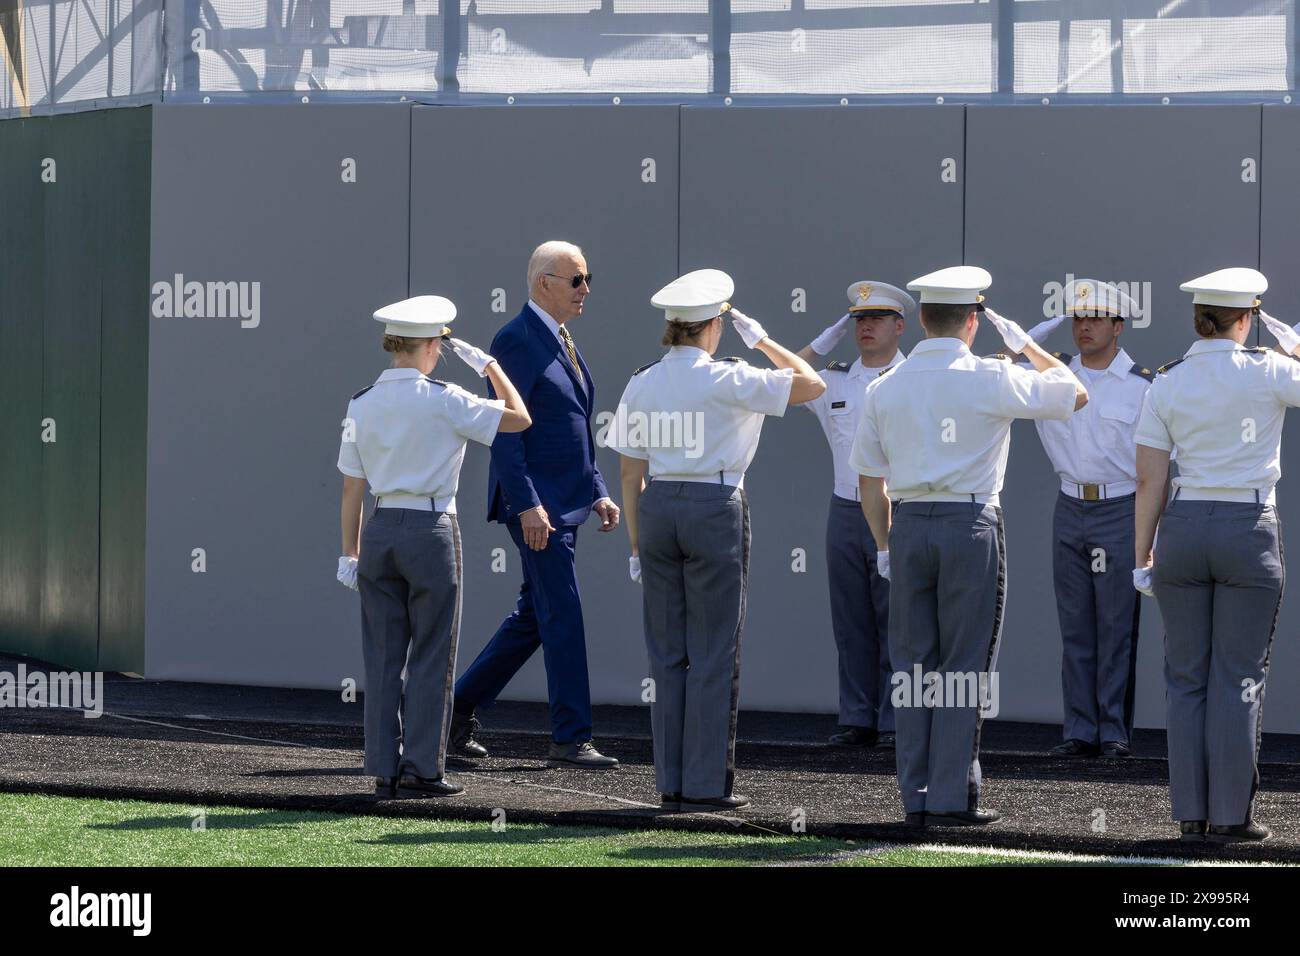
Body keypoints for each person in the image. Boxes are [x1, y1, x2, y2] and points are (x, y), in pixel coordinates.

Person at [850, 266, 1086, 828]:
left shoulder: (886, 386)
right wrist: (1026, 345)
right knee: (963, 666)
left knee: (911, 666)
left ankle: (916, 794)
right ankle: (952, 796)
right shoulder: (990, 377)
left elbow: (867, 482)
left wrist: (886, 544)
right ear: (973, 321)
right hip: (969, 523)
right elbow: (1075, 393)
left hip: (908, 526)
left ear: (922, 320)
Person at [613, 269, 825, 811]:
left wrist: (636, 546)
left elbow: (629, 473)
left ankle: (671, 783)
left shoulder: (643, 379)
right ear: (715, 325)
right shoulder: (731, 376)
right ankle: (706, 785)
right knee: (713, 652)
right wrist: (763, 340)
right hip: (713, 505)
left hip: (658, 508)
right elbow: (811, 384)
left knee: (667, 653)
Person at [337, 295, 531, 797]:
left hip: (378, 530)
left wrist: (349, 552)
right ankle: (423, 767)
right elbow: (518, 417)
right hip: (429, 529)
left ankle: (383, 766)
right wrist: (489, 365)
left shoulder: (361, 401)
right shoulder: (445, 397)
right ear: (430, 346)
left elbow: (351, 488)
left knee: (382, 655)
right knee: (431, 652)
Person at [1134, 267, 1297, 844]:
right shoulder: (1270, 371)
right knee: (1237, 678)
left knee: (1186, 680)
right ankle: (1230, 816)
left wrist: (1141, 555)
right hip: (1247, 528)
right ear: (1247, 317)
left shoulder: (1166, 382)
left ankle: (1189, 815)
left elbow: (1149, 481)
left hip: (1181, 528)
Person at [450, 241, 622, 769]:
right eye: (577, 280)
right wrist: (526, 505)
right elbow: (505, 434)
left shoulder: (561, 338)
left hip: (565, 502)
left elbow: (572, 429)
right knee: (562, 612)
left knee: (536, 616)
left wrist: (596, 489)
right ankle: (571, 736)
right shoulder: (517, 339)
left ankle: (451, 712)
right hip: (538, 509)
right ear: (544, 281)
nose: (586, 289)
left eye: (588, 278)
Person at [1016, 280, 1153, 759]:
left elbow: (1156, 463)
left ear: (1119, 326)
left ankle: (1113, 730)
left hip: (1120, 506)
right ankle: (1079, 729)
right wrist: (1036, 334)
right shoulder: (1050, 378)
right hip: (1069, 505)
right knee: (1075, 625)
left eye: (1096, 317)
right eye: (1077, 317)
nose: (1085, 326)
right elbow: (1000, 366)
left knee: (1116, 626)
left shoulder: (1141, 386)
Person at [796, 280, 913, 748]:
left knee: (897, 619)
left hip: (898, 507)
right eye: (858, 319)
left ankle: (893, 718)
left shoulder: (914, 378)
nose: (866, 326)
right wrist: (826, 338)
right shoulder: (835, 379)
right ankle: (856, 715)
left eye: (877, 318)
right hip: (845, 508)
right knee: (851, 619)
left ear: (900, 326)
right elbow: (789, 374)